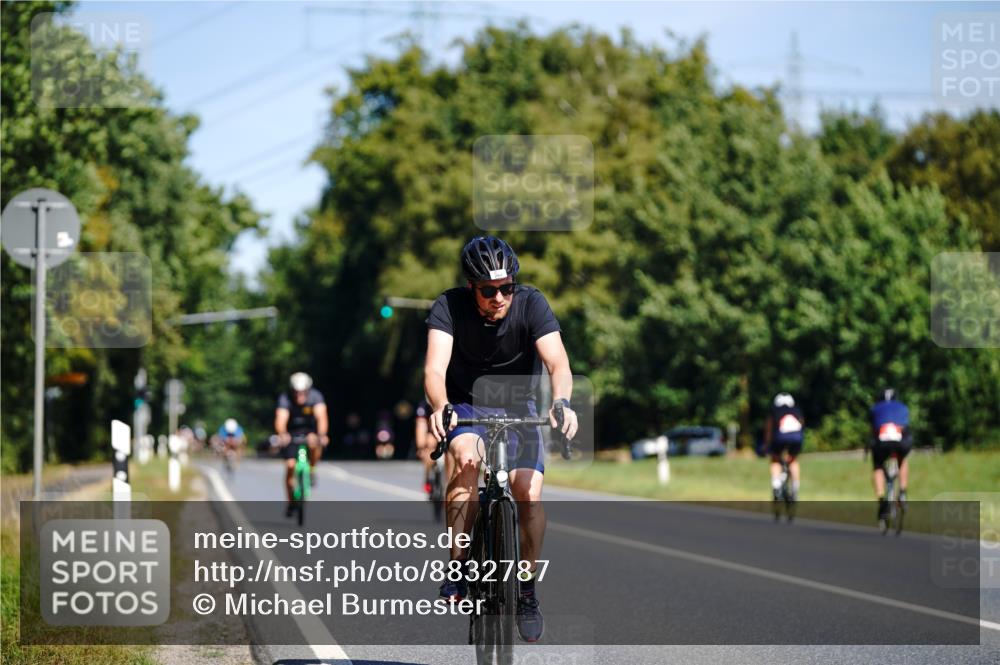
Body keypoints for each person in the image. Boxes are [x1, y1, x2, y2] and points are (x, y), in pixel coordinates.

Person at [425, 235, 579, 643]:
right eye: (488, 290)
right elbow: (434, 370)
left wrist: (562, 401)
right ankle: (458, 566)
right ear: (471, 287)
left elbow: (557, 362)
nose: (499, 297)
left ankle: (526, 590)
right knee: (466, 459)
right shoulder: (449, 307)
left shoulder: (532, 303)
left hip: (520, 409)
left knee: (528, 492)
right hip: (467, 407)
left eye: (506, 287)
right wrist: (441, 405)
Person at [274, 372, 329, 513]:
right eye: (296, 392)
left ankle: (312, 469)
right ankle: (291, 501)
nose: (300, 395)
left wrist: (322, 435)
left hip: (310, 431)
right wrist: (282, 434)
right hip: (291, 434)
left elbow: (321, 417)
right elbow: (281, 418)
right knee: (290, 465)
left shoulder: (315, 397)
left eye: (303, 392)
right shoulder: (285, 398)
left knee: (314, 443)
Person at [869, 388, 911, 521]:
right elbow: (905, 427)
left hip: (882, 443)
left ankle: (882, 500)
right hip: (900, 442)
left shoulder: (875, 408)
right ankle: (903, 491)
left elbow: (873, 429)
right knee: (902, 459)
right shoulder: (903, 407)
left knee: (878, 466)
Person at [764, 393, 805, 502]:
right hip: (797, 438)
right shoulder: (797, 410)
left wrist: (767, 445)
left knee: (775, 459)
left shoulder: (774, 411)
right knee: (793, 460)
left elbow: (769, 429)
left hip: (780, 437)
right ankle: (795, 488)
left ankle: (776, 485)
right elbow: (801, 426)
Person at [414, 399, 439, 490]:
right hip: (430, 430)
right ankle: (428, 477)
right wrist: (421, 447)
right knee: (429, 443)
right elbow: (420, 426)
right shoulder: (423, 406)